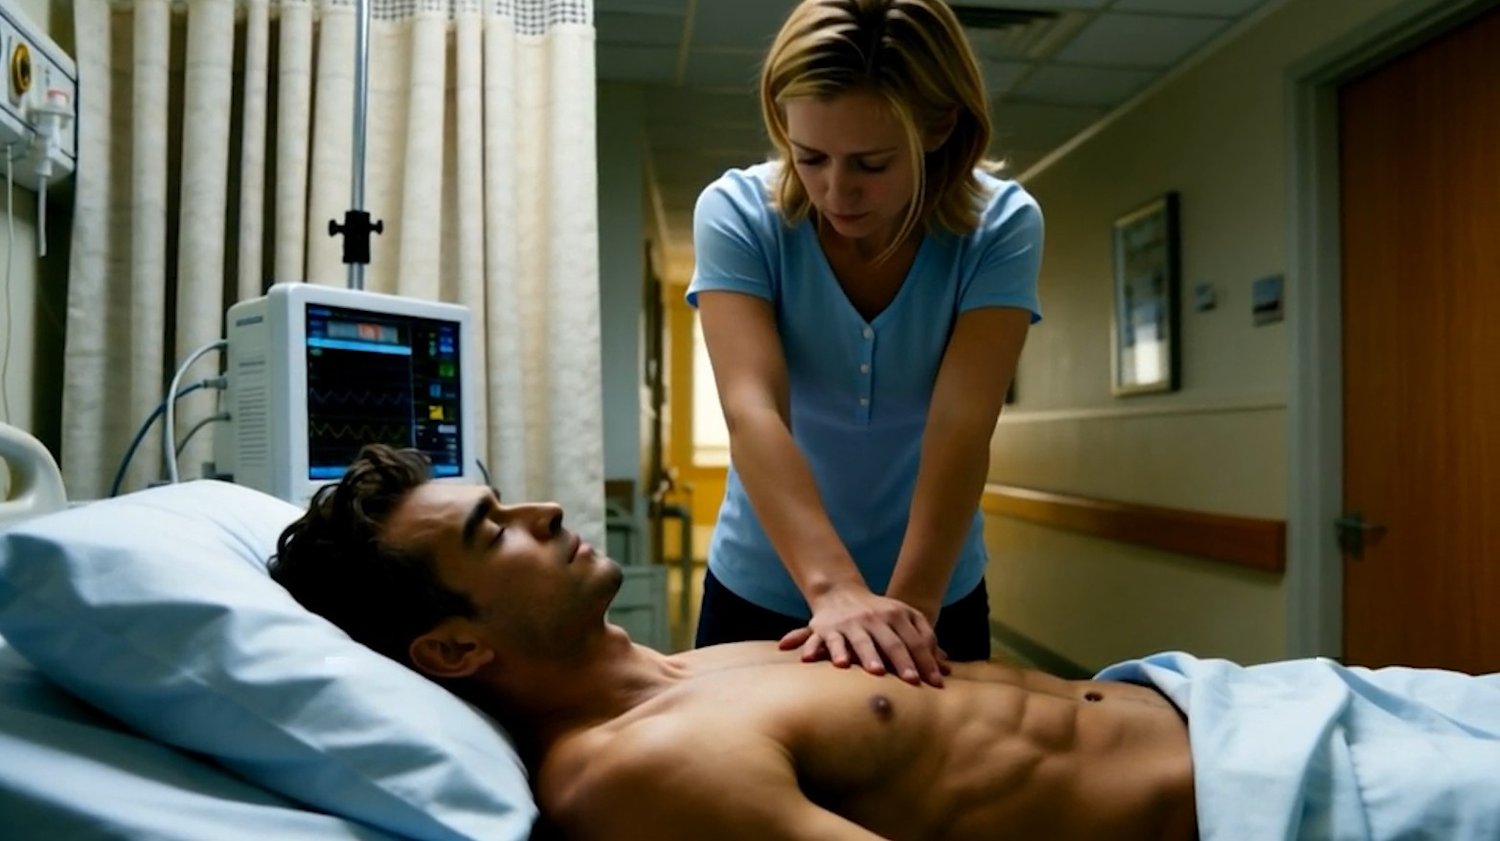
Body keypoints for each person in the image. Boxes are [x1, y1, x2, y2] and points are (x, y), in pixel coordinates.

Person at [270, 446, 1500, 840]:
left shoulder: (688, 668)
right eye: (491, 530)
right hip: (1269, 805)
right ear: (453, 650)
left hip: (1239, 703)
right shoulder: (633, 770)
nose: (540, 511)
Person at [686, 0, 1043, 684]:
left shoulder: (1001, 226)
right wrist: (833, 590)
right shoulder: (737, 214)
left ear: (939, 127)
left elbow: (963, 423)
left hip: (936, 585)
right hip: (762, 585)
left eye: (871, 163)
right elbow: (753, 409)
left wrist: (909, 615)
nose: (835, 190)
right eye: (810, 156)